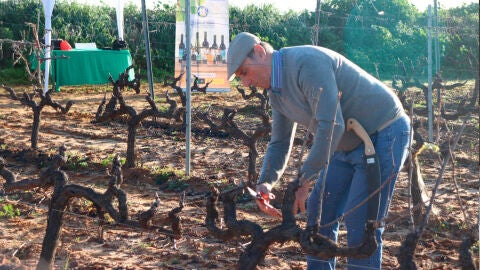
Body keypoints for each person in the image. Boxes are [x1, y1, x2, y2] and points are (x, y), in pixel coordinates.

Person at [227, 32, 411, 269]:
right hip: (343, 144)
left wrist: (304, 179)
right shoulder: (276, 93)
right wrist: (265, 183)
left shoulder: (306, 63)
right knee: (320, 212)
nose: (245, 82)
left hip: (383, 133)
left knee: (361, 222)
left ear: (260, 52)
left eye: (244, 72)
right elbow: (280, 142)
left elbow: (332, 124)